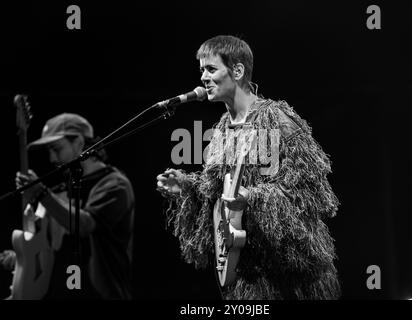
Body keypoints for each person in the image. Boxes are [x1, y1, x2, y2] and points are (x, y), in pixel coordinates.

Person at [156, 35, 341, 300]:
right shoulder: (221, 129)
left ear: (238, 70)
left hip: (293, 279)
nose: (203, 78)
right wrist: (186, 186)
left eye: (211, 69)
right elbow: (218, 195)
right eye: (201, 71)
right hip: (247, 278)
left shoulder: (276, 118)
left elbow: (313, 193)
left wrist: (252, 198)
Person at [1, 113, 135, 299]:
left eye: (56, 149)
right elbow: (48, 249)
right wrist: (21, 258)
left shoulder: (115, 185)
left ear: (79, 142)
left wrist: (41, 193)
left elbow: (85, 225)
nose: (52, 158)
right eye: (49, 150)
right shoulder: (60, 191)